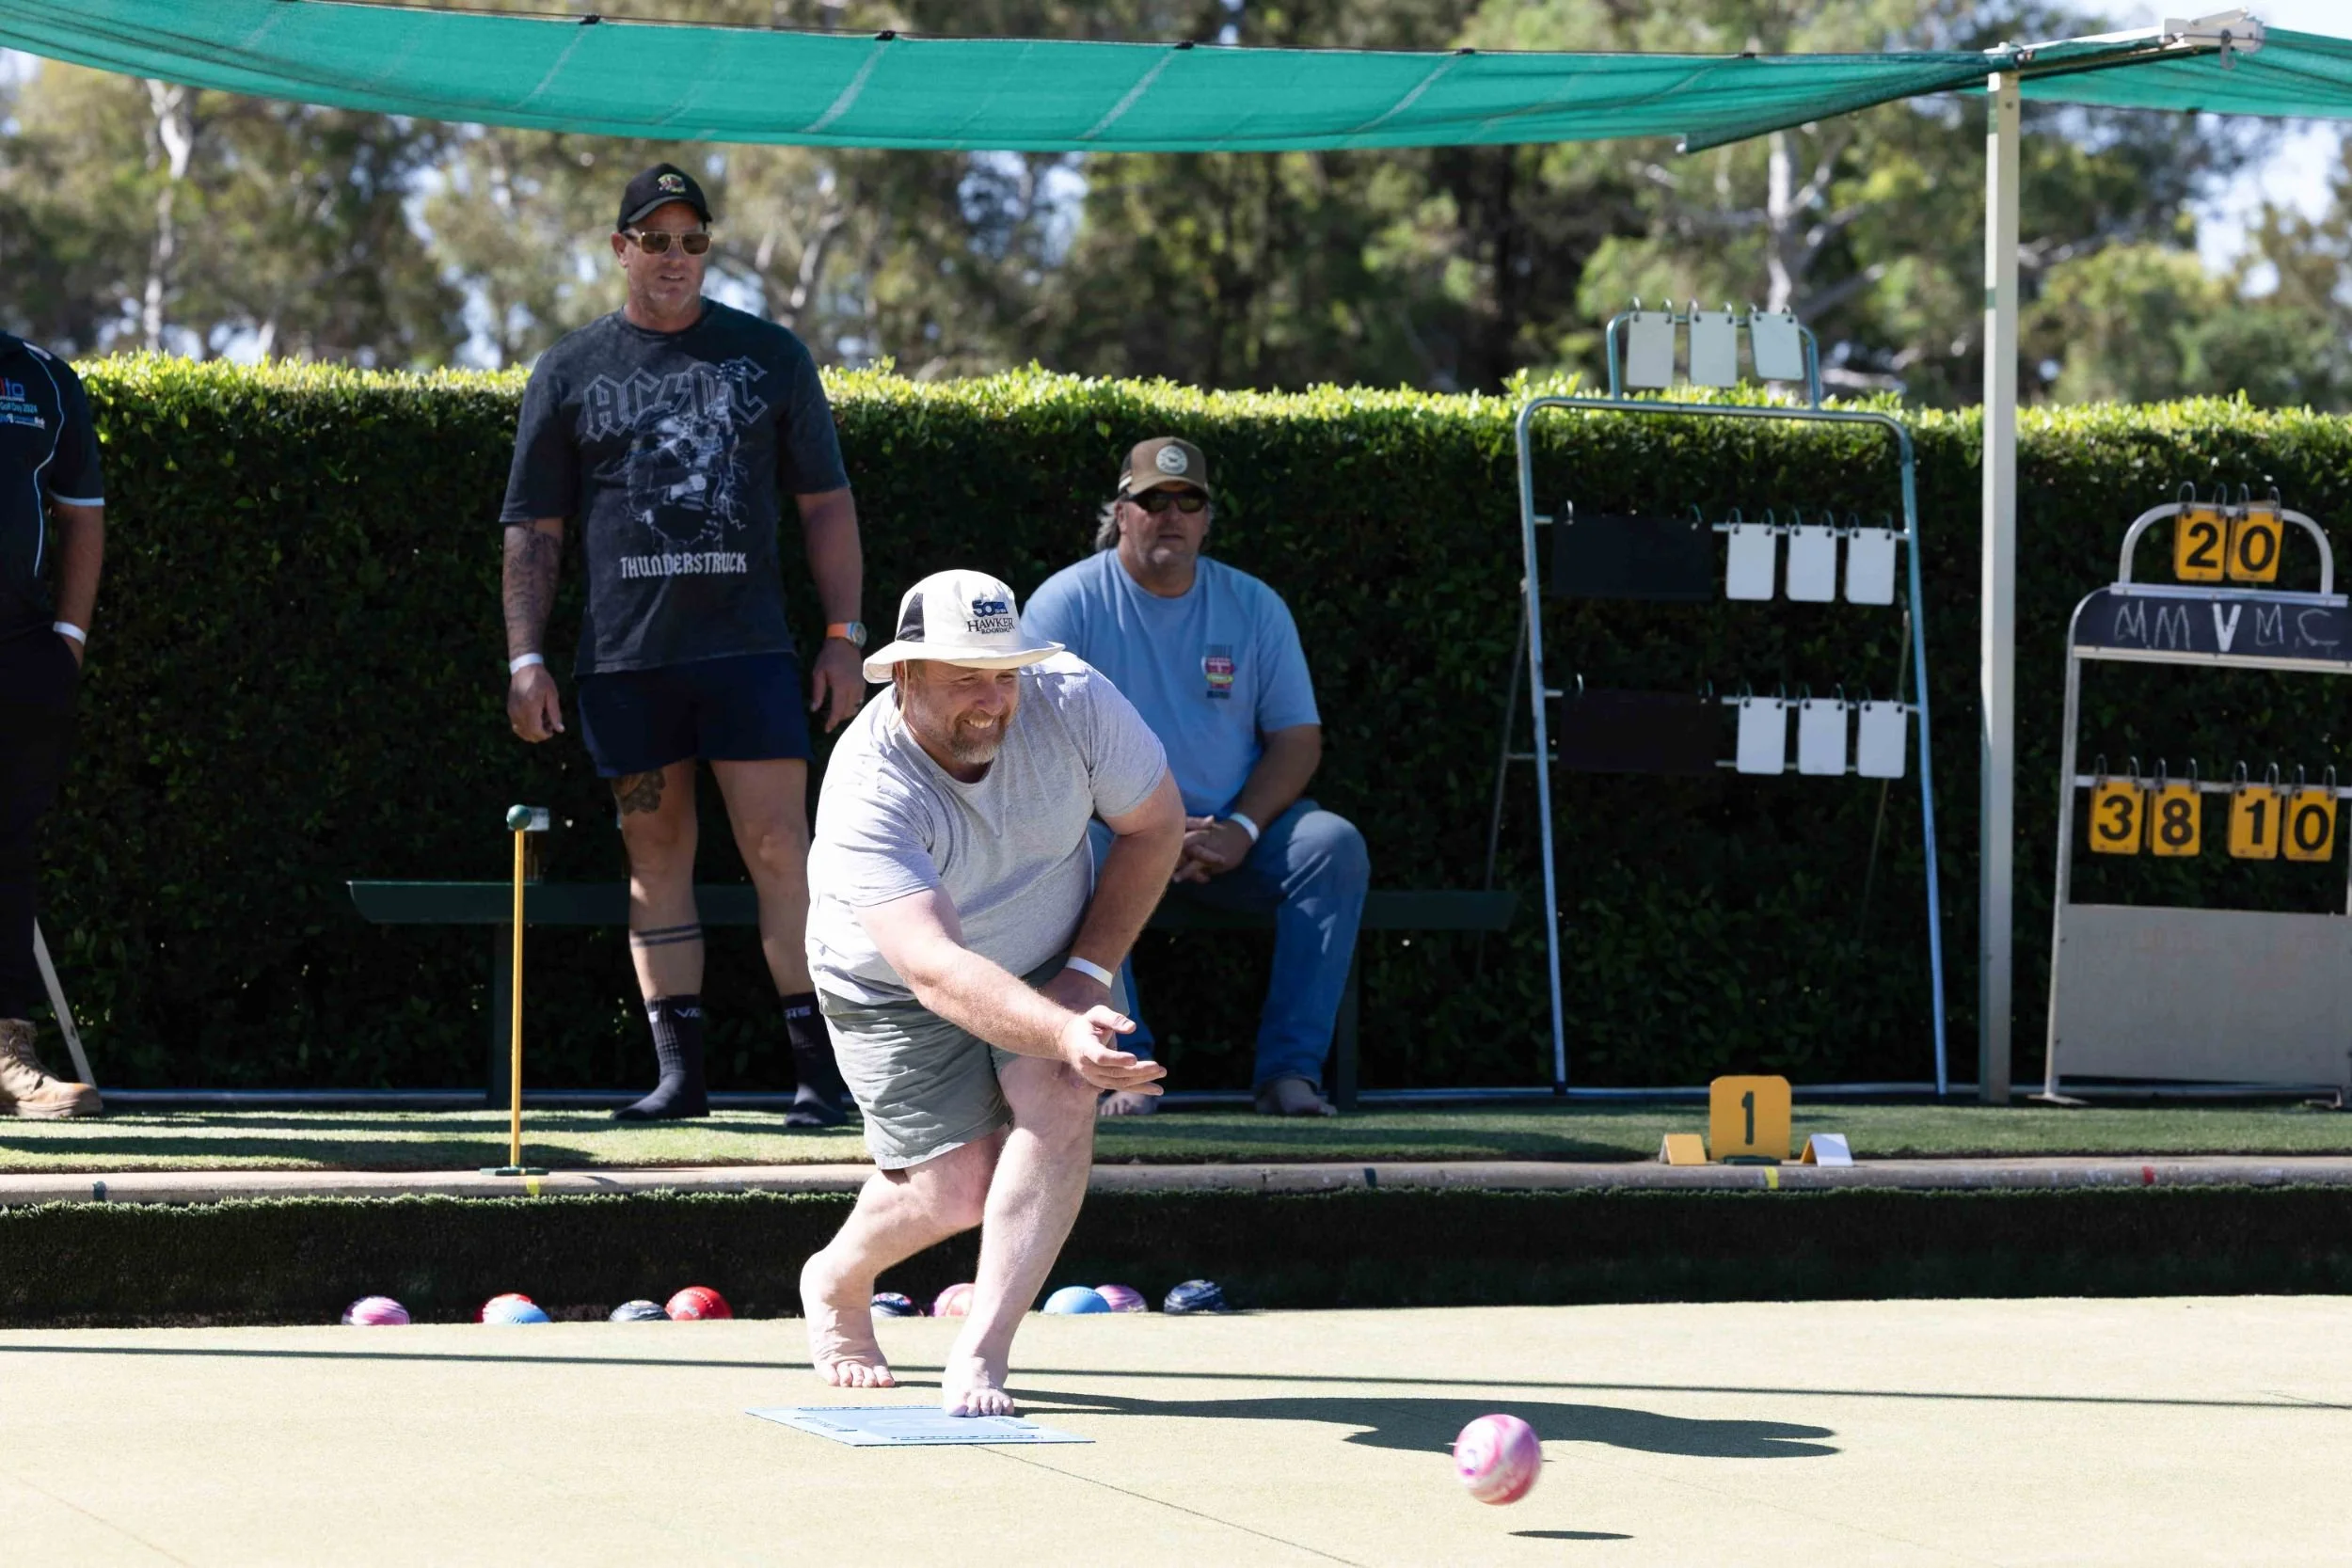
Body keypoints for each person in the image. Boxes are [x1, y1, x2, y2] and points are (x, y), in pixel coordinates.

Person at [501, 163, 867, 1125]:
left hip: (748, 653)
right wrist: (524, 657)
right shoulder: (569, 369)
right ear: (620, 248)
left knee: (781, 847)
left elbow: (826, 505)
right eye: (655, 239)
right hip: (626, 661)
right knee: (653, 851)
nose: (674, 257)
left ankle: (820, 1077)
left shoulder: (771, 355)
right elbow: (533, 527)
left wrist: (844, 636)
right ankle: (680, 1079)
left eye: (692, 240)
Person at [797, 569, 1183, 1415]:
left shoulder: (1074, 699)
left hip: (1050, 946)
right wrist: (1062, 1028)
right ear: (906, 674)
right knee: (956, 1187)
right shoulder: (868, 783)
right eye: (965, 676)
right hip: (890, 981)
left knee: (1064, 1090)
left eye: (1005, 673)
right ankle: (836, 1276)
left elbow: (1156, 824)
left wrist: (1085, 976)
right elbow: (933, 965)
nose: (992, 700)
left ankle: (982, 1353)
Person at [1025, 437, 1368, 1119]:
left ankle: (1291, 1074)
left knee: (1333, 846)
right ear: (1122, 513)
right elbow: (1034, 746)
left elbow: (1298, 739)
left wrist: (1241, 829)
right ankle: (1121, 1070)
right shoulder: (1067, 603)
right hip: (1113, 832)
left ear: (1208, 518)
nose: (1171, 514)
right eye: (1154, 499)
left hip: (1230, 837)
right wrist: (1145, 827)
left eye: (1189, 501)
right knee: (1070, 847)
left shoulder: (1255, 605)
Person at [0, 333, 105, 1118]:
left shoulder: (42, 378)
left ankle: (7, 1051)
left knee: (7, 848)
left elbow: (81, 516)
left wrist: (66, 641)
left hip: (20, 655)